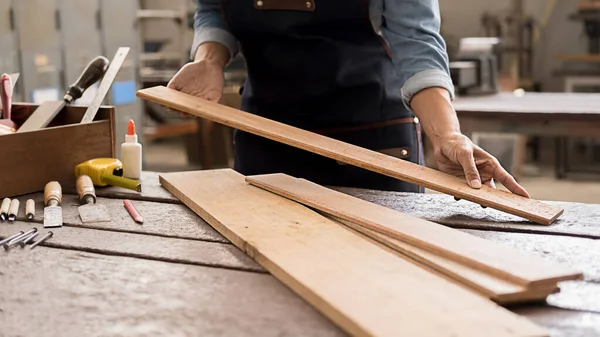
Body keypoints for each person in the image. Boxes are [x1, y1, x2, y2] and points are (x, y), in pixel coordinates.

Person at [168, 0, 530, 197]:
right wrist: (209, 60)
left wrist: (446, 135)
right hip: (266, 140)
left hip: (372, 146)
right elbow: (214, 8)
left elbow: (416, 42)